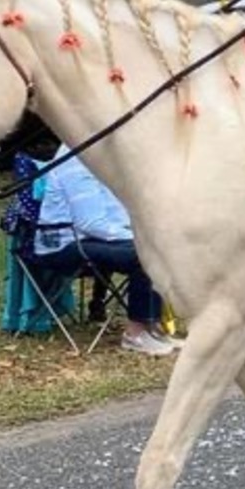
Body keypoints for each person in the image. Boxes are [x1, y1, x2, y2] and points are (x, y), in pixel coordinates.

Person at [35, 145, 179, 357]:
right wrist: (139, 238)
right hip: (63, 244)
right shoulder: (75, 158)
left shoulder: (104, 155)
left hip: (92, 238)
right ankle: (135, 334)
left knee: (160, 248)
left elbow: (116, 215)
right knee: (145, 254)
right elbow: (90, 222)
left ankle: (153, 329)